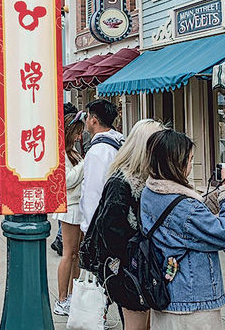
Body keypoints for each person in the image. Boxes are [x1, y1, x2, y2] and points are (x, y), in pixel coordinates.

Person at [140, 129, 225, 329]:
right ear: (175, 163)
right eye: (189, 160)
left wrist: (216, 195)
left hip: (167, 294)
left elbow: (188, 224)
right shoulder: (184, 207)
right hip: (191, 301)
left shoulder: (151, 190)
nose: (189, 166)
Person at [79, 119, 165, 329]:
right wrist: (129, 262)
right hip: (131, 270)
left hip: (146, 268)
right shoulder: (121, 182)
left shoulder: (151, 180)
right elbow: (111, 230)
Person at [52, 107, 87, 317]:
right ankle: (62, 298)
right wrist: (86, 164)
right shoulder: (63, 153)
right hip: (70, 207)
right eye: (77, 131)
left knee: (76, 255)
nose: (80, 136)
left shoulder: (72, 151)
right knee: (68, 254)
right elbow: (67, 181)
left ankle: (72, 295)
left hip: (77, 206)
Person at [79, 99, 125, 235]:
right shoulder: (120, 140)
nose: (86, 121)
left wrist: (88, 229)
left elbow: (93, 193)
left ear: (94, 120)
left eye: (87, 117)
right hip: (117, 218)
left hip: (102, 224)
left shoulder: (97, 151)